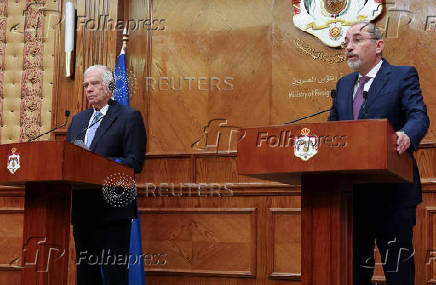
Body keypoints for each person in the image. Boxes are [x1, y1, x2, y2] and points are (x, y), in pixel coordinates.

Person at [328, 22, 429, 284]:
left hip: (393, 194)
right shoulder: (342, 85)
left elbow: (418, 115)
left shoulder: (402, 75)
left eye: (357, 39)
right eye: (346, 42)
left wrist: (407, 134)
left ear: (378, 45)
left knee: (398, 274)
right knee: (354, 274)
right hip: (352, 197)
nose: (349, 46)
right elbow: (331, 131)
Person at [66, 65, 146, 285]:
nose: (89, 89)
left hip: (112, 211)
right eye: (86, 85)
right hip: (83, 210)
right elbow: (69, 160)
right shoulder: (78, 121)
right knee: (86, 275)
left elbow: (134, 162)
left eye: (95, 83)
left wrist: (97, 166)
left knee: (114, 276)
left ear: (110, 87)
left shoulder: (129, 116)